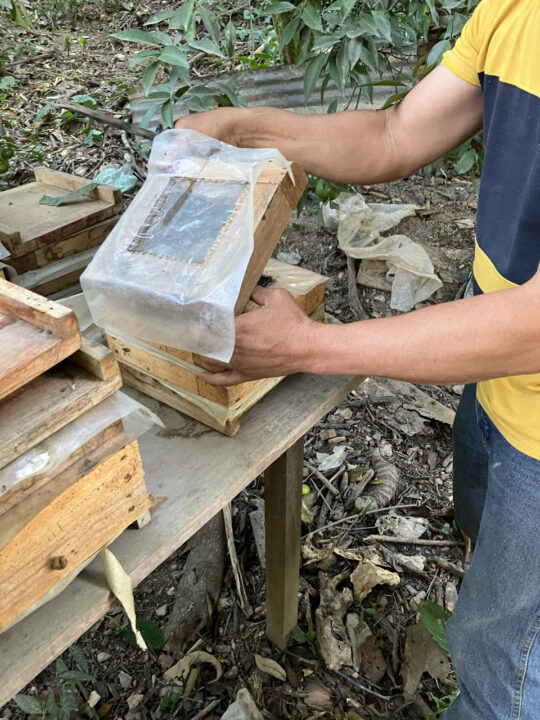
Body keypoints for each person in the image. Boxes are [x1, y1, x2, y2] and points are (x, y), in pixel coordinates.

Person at [175, 1, 540, 717]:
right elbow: (393, 132)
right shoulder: (513, 10)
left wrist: (312, 346)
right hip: (496, 380)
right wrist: (242, 127)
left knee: (509, 679)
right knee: (485, 552)